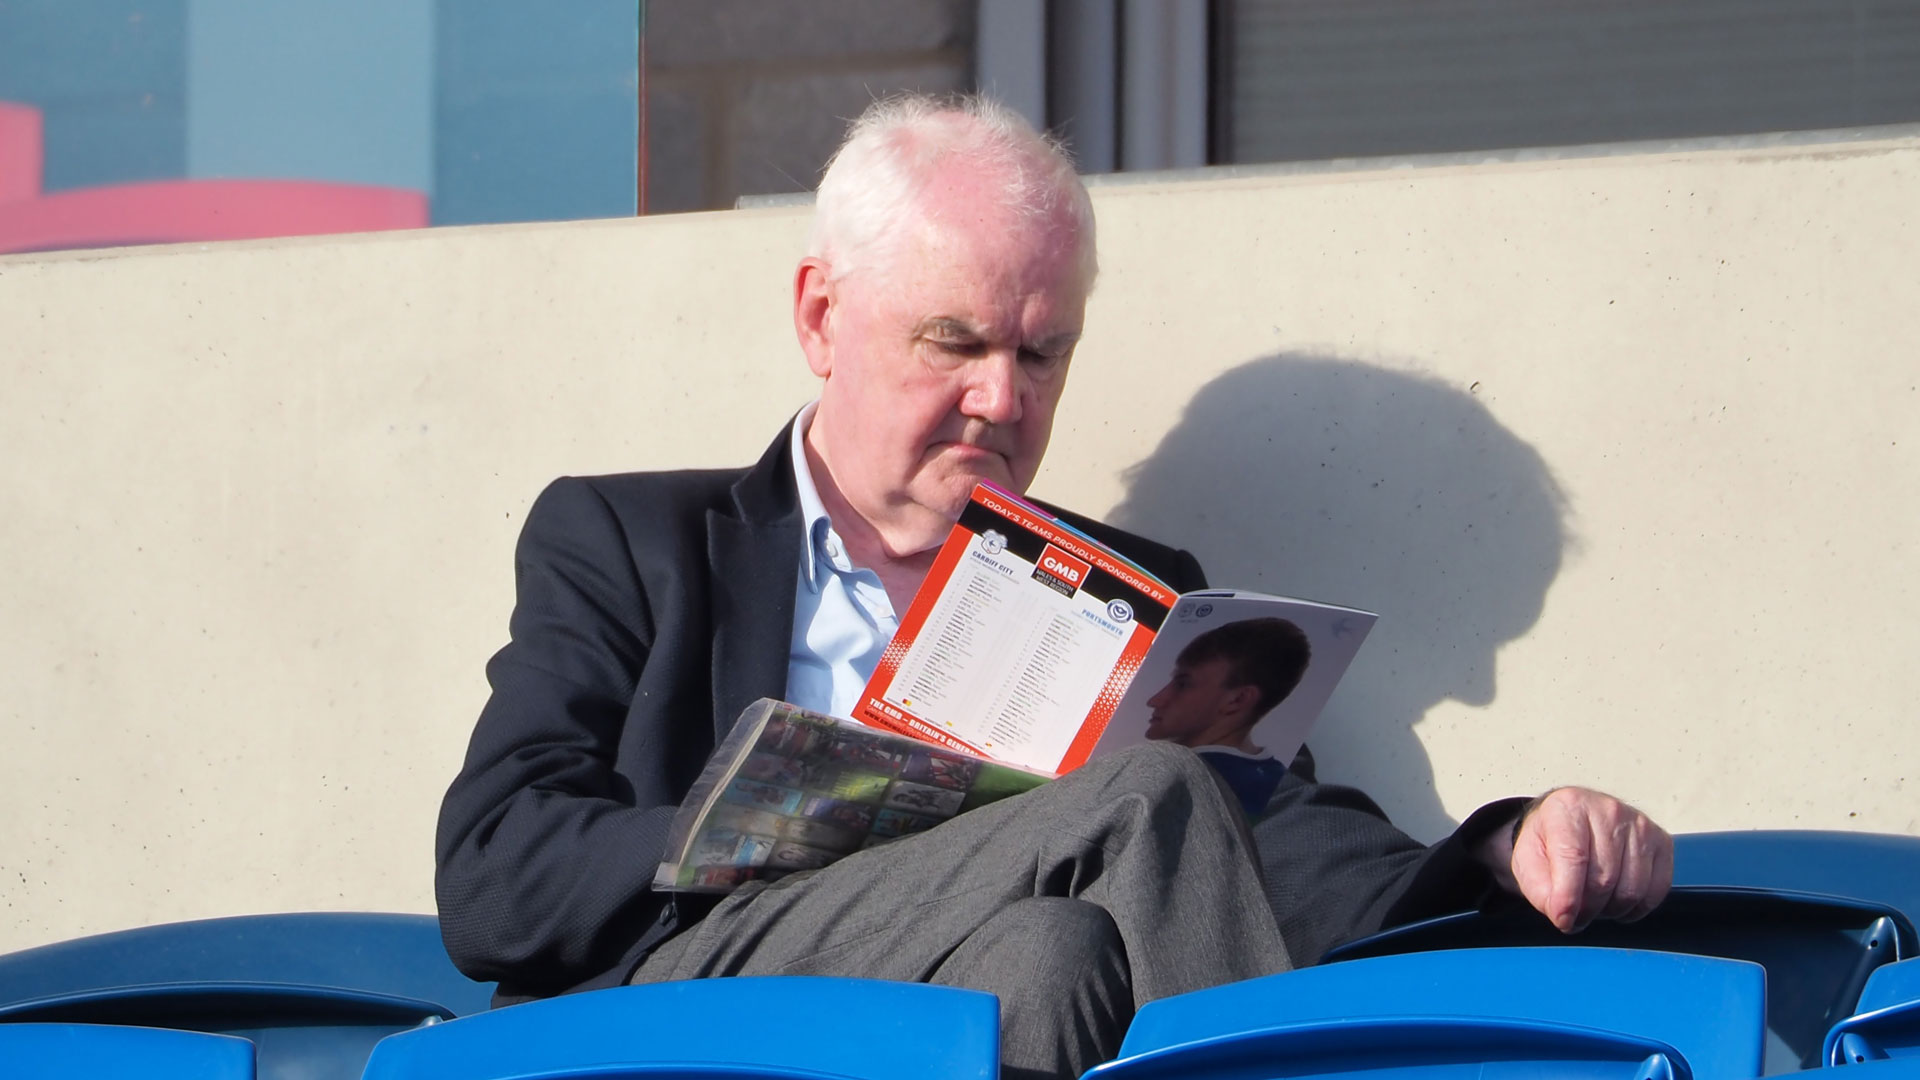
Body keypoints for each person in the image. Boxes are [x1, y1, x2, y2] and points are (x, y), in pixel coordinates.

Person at [436, 94, 1672, 1080]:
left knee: (1054, 952)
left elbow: (1271, 842)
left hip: (953, 1001)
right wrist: (770, 828)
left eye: (1041, 351)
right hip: (686, 1014)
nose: (1003, 399)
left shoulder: (1137, 595)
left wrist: (1505, 848)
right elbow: (495, 875)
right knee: (1143, 796)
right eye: (954, 342)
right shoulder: (632, 538)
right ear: (822, 317)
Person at [1143, 616, 1311, 814]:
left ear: (1237, 700)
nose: (1155, 700)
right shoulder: (1276, 779)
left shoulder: (1184, 788)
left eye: (1183, 684)